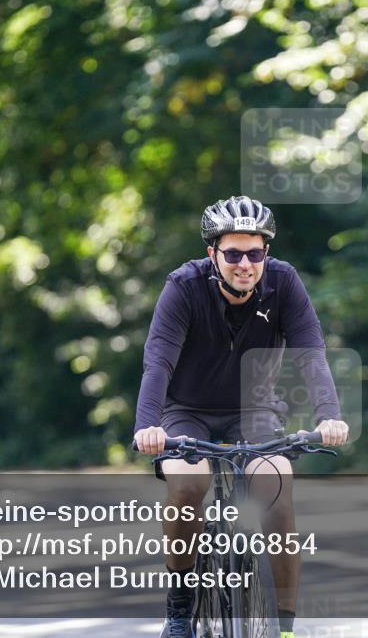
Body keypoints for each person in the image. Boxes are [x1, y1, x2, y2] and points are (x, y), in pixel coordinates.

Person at [134, 195, 349, 638]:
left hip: (255, 410)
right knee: (188, 483)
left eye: (255, 253)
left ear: (265, 253)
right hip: (184, 412)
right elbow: (159, 363)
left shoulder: (285, 283)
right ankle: (180, 605)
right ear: (213, 253)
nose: (245, 264)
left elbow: (312, 355)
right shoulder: (183, 287)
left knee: (276, 481)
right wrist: (147, 425)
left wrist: (330, 416)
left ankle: (284, 626)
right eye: (233, 254)